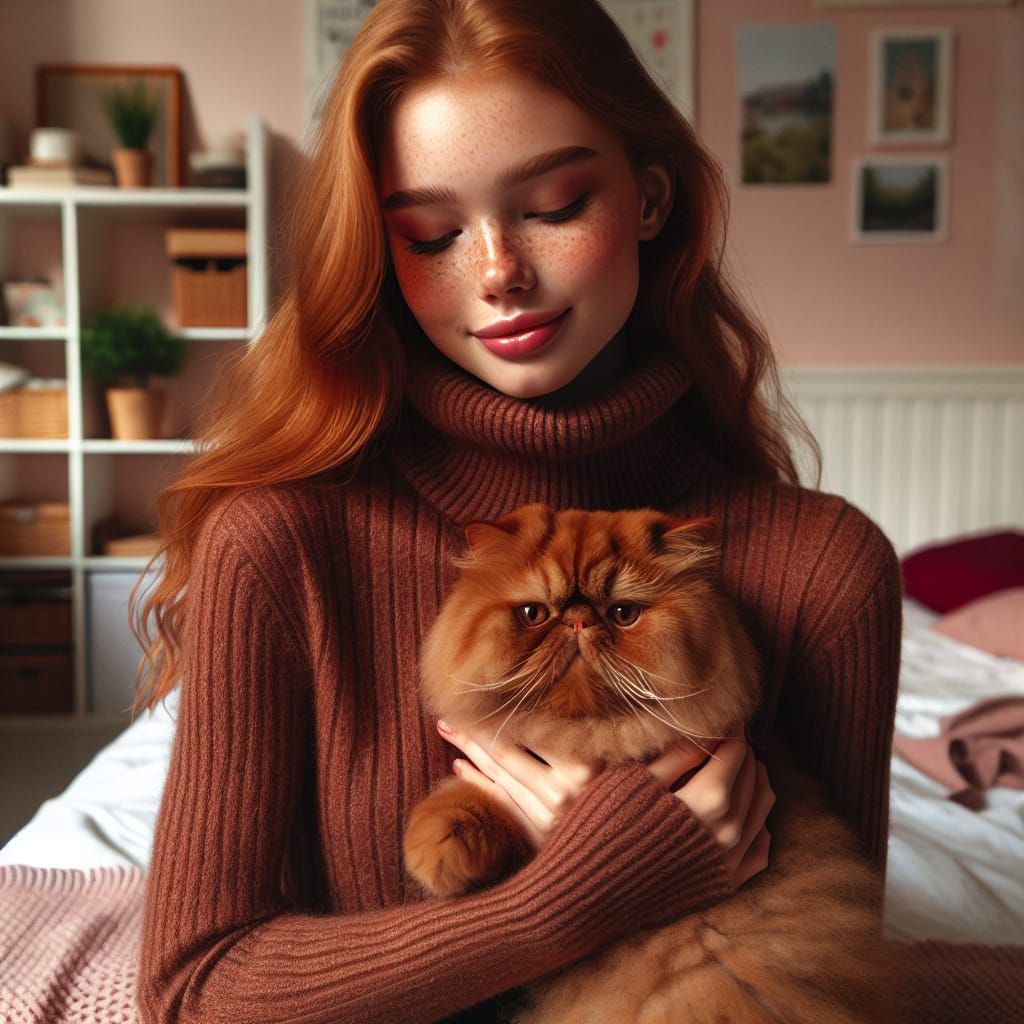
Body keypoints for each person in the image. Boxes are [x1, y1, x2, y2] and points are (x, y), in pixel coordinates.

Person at [134, 2, 901, 1022]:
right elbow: (189, 994)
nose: (497, 271)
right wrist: (572, 897)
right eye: (433, 232)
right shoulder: (282, 544)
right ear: (380, 252)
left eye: (551, 204)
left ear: (650, 196)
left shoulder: (823, 566)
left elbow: (827, 973)